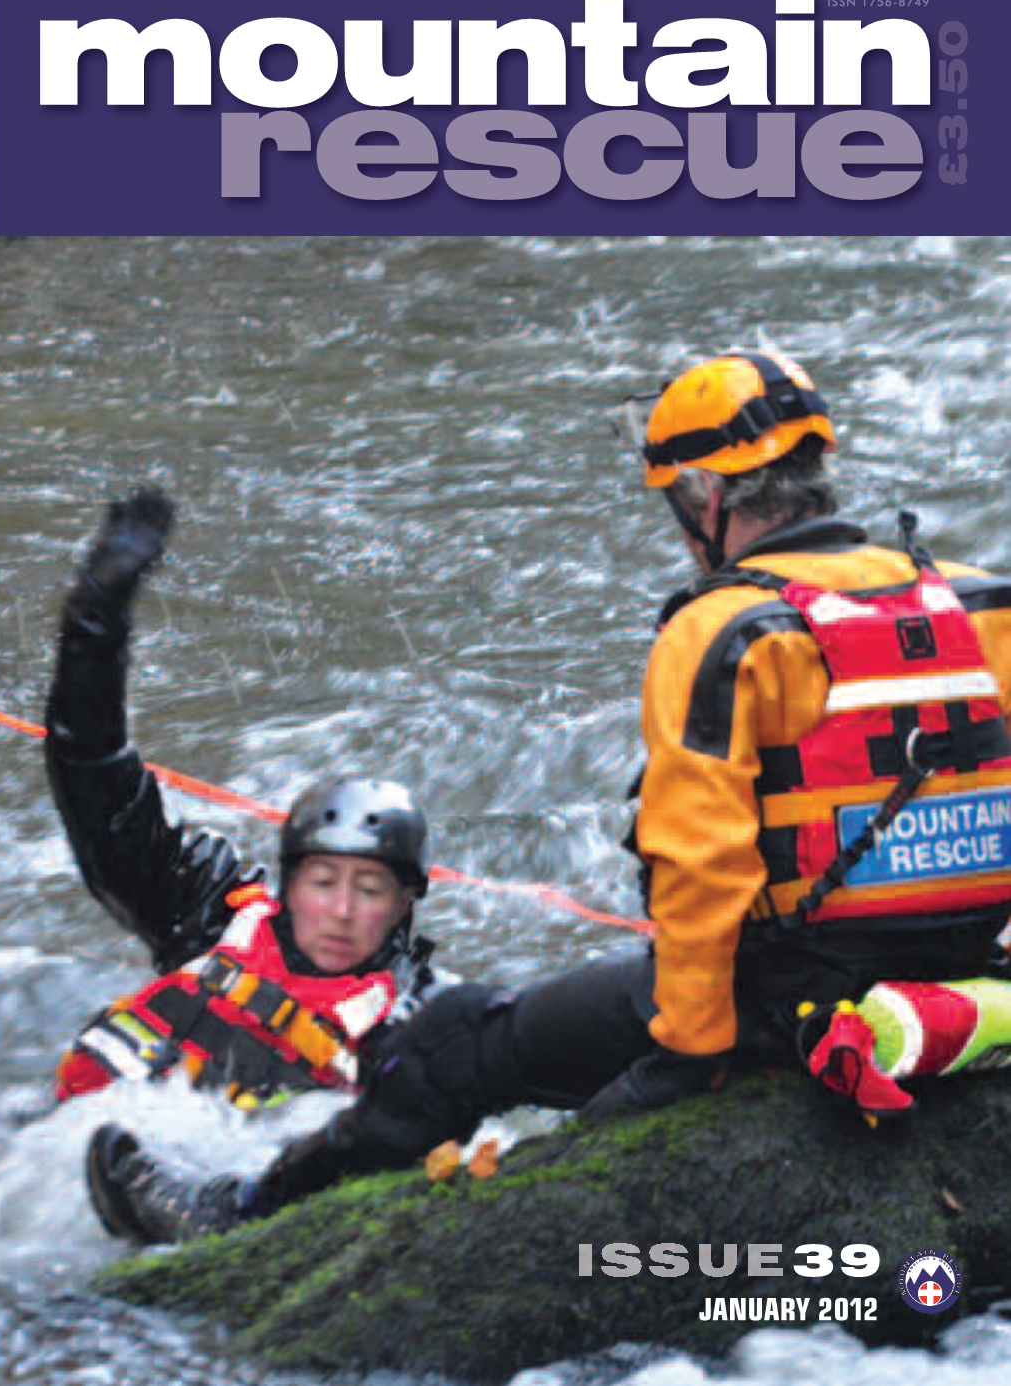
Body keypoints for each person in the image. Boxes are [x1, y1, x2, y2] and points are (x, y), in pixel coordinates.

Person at [86, 353, 1011, 1242]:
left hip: (786, 1003)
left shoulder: (725, 628)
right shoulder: (976, 604)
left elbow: (699, 866)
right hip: (966, 985)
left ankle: (241, 1212)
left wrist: (685, 1057)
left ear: (711, 500)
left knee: (458, 1038)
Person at [48, 488, 446, 1119]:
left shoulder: (420, 1022)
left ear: (404, 906)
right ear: (288, 884)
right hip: (56, 1158)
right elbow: (98, 792)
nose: (340, 912)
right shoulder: (207, 911)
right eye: (322, 882)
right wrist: (94, 626)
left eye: (369, 891)